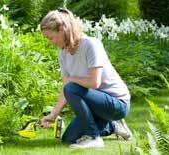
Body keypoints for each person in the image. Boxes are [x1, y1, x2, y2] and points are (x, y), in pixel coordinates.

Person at [39, 8, 132, 149]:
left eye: (50, 37)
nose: (50, 42)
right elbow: (66, 88)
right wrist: (52, 115)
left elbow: (94, 82)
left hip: (117, 103)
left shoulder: (90, 44)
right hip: (96, 105)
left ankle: (94, 137)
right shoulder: (62, 54)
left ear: (62, 30)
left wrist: (71, 80)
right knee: (68, 138)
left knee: (71, 87)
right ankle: (113, 125)